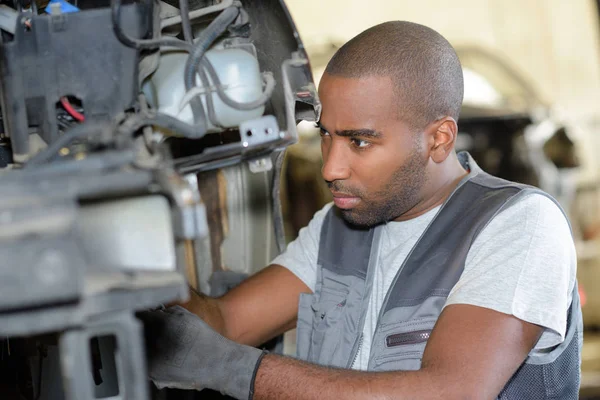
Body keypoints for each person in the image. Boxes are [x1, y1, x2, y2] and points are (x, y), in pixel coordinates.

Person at [142, 21, 581, 399]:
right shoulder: (340, 226)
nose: (331, 167)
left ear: (439, 138)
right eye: (326, 135)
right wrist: (141, 275)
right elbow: (225, 323)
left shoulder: (517, 224)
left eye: (360, 141)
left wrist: (233, 369)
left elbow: (450, 392)